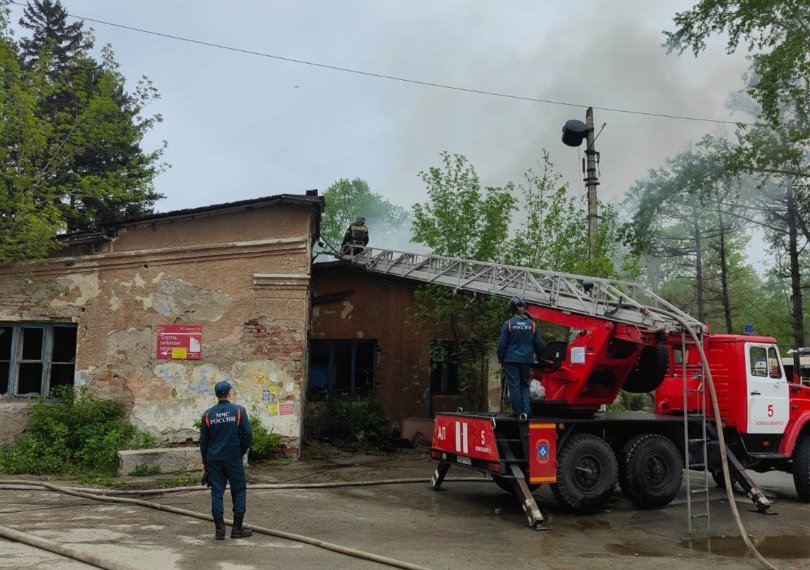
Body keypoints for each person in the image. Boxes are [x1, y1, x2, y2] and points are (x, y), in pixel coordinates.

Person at [200, 380, 253, 540]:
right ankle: (237, 529)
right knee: (239, 490)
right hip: (233, 458)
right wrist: (240, 451)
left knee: (217, 493)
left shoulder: (208, 414)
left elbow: (203, 441)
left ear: (216, 395)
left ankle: (219, 530)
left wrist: (205, 462)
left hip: (214, 459)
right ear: (229, 393)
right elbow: (247, 435)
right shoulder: (239, 411)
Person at [497, 296, 545, 417]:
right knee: (524, 385)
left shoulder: (508, 324)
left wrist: (501, 360)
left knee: (514, 385)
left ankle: (517, 412)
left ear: (512, 309)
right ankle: (526, 411)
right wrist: (541, 359)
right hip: (527, 360)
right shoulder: (532, 324)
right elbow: (539, 344)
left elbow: (502, 345)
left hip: (511, 360)